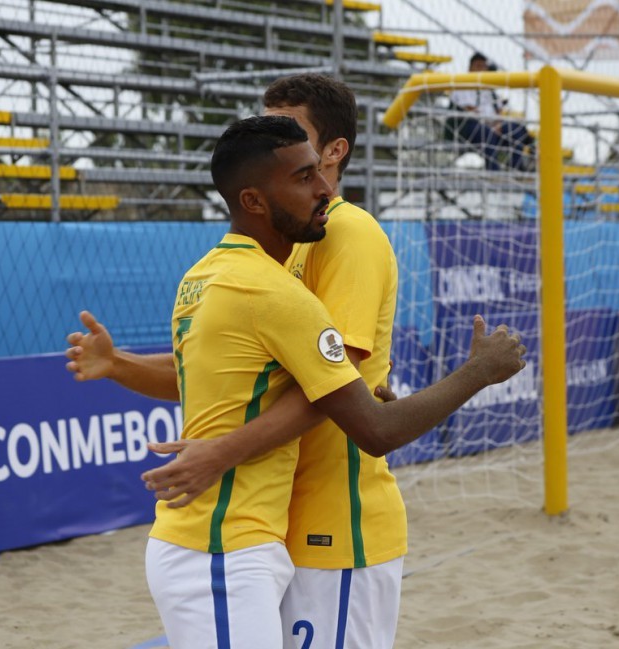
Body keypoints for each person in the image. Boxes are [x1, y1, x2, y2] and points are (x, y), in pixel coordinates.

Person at [121, 114, 526, 648]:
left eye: (320, 170)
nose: (324, 188)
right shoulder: (279, 295)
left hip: (227, 541)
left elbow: (212, 381)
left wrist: (117, 365)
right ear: (254, 201)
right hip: (221, 545)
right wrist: (478, 372)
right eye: (303, 178)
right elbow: (374, 429)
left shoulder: (202, 276)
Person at [67, 73, 430, 648]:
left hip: (329, 520)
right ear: (255, 196)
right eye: (293, 162)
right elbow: (277, 384)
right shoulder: (263, 271)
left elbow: (339, 392)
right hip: (259, 528)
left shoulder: (342, 235)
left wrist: (217, 449)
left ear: (334, 151)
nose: (307, 169)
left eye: (304, 146)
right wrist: (125, 368)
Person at [447, 52, 534, 172]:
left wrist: (497, 124)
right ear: (470, 68)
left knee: (518, 129)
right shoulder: (462, 86)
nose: (481, 70)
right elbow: (469, 111)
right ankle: (493, 171)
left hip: (493, 126)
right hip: (470, 128)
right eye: (478, 66)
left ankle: (515, 167)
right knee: (486, 132)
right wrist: (491, 125)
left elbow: (498, 111)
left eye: (484, 67)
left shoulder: (488, 90)